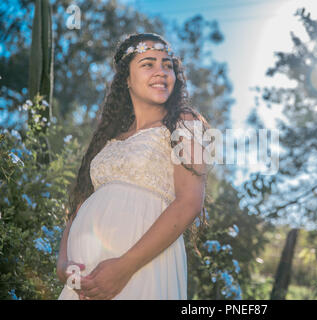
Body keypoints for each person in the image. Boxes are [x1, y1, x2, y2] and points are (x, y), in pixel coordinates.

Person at [56, 33, 211, 300]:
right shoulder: (107, 137)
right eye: (148, 64)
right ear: (127, 79)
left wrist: (124, 268)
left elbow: (189, 202)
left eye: (167, 65)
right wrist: (63, 263)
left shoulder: (185, 122)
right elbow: (81, 206)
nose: (161, 72)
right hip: (86, 274)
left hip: (140, 266)